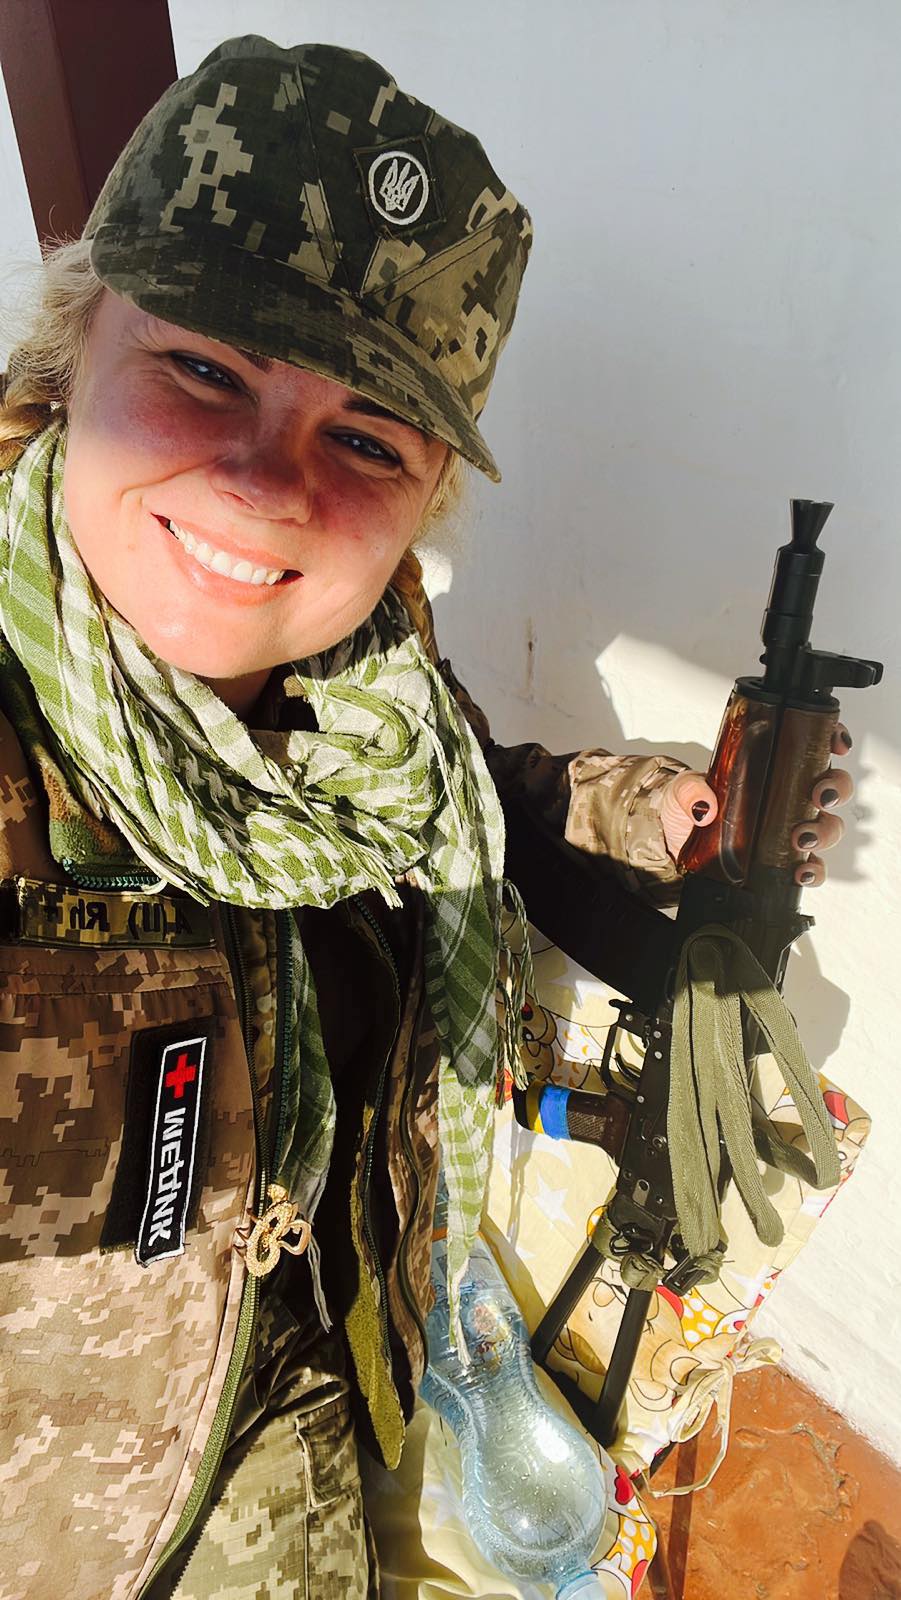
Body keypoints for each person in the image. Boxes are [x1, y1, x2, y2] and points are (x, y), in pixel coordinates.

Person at [0, 35, 853, 1600]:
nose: (268, 485)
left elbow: (461, 795)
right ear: (70, 347)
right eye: (204, 370)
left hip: (344, 1342)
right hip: (96, 1522)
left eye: (366, 440)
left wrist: (640, 808)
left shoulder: (368, 662)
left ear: (423, 495)